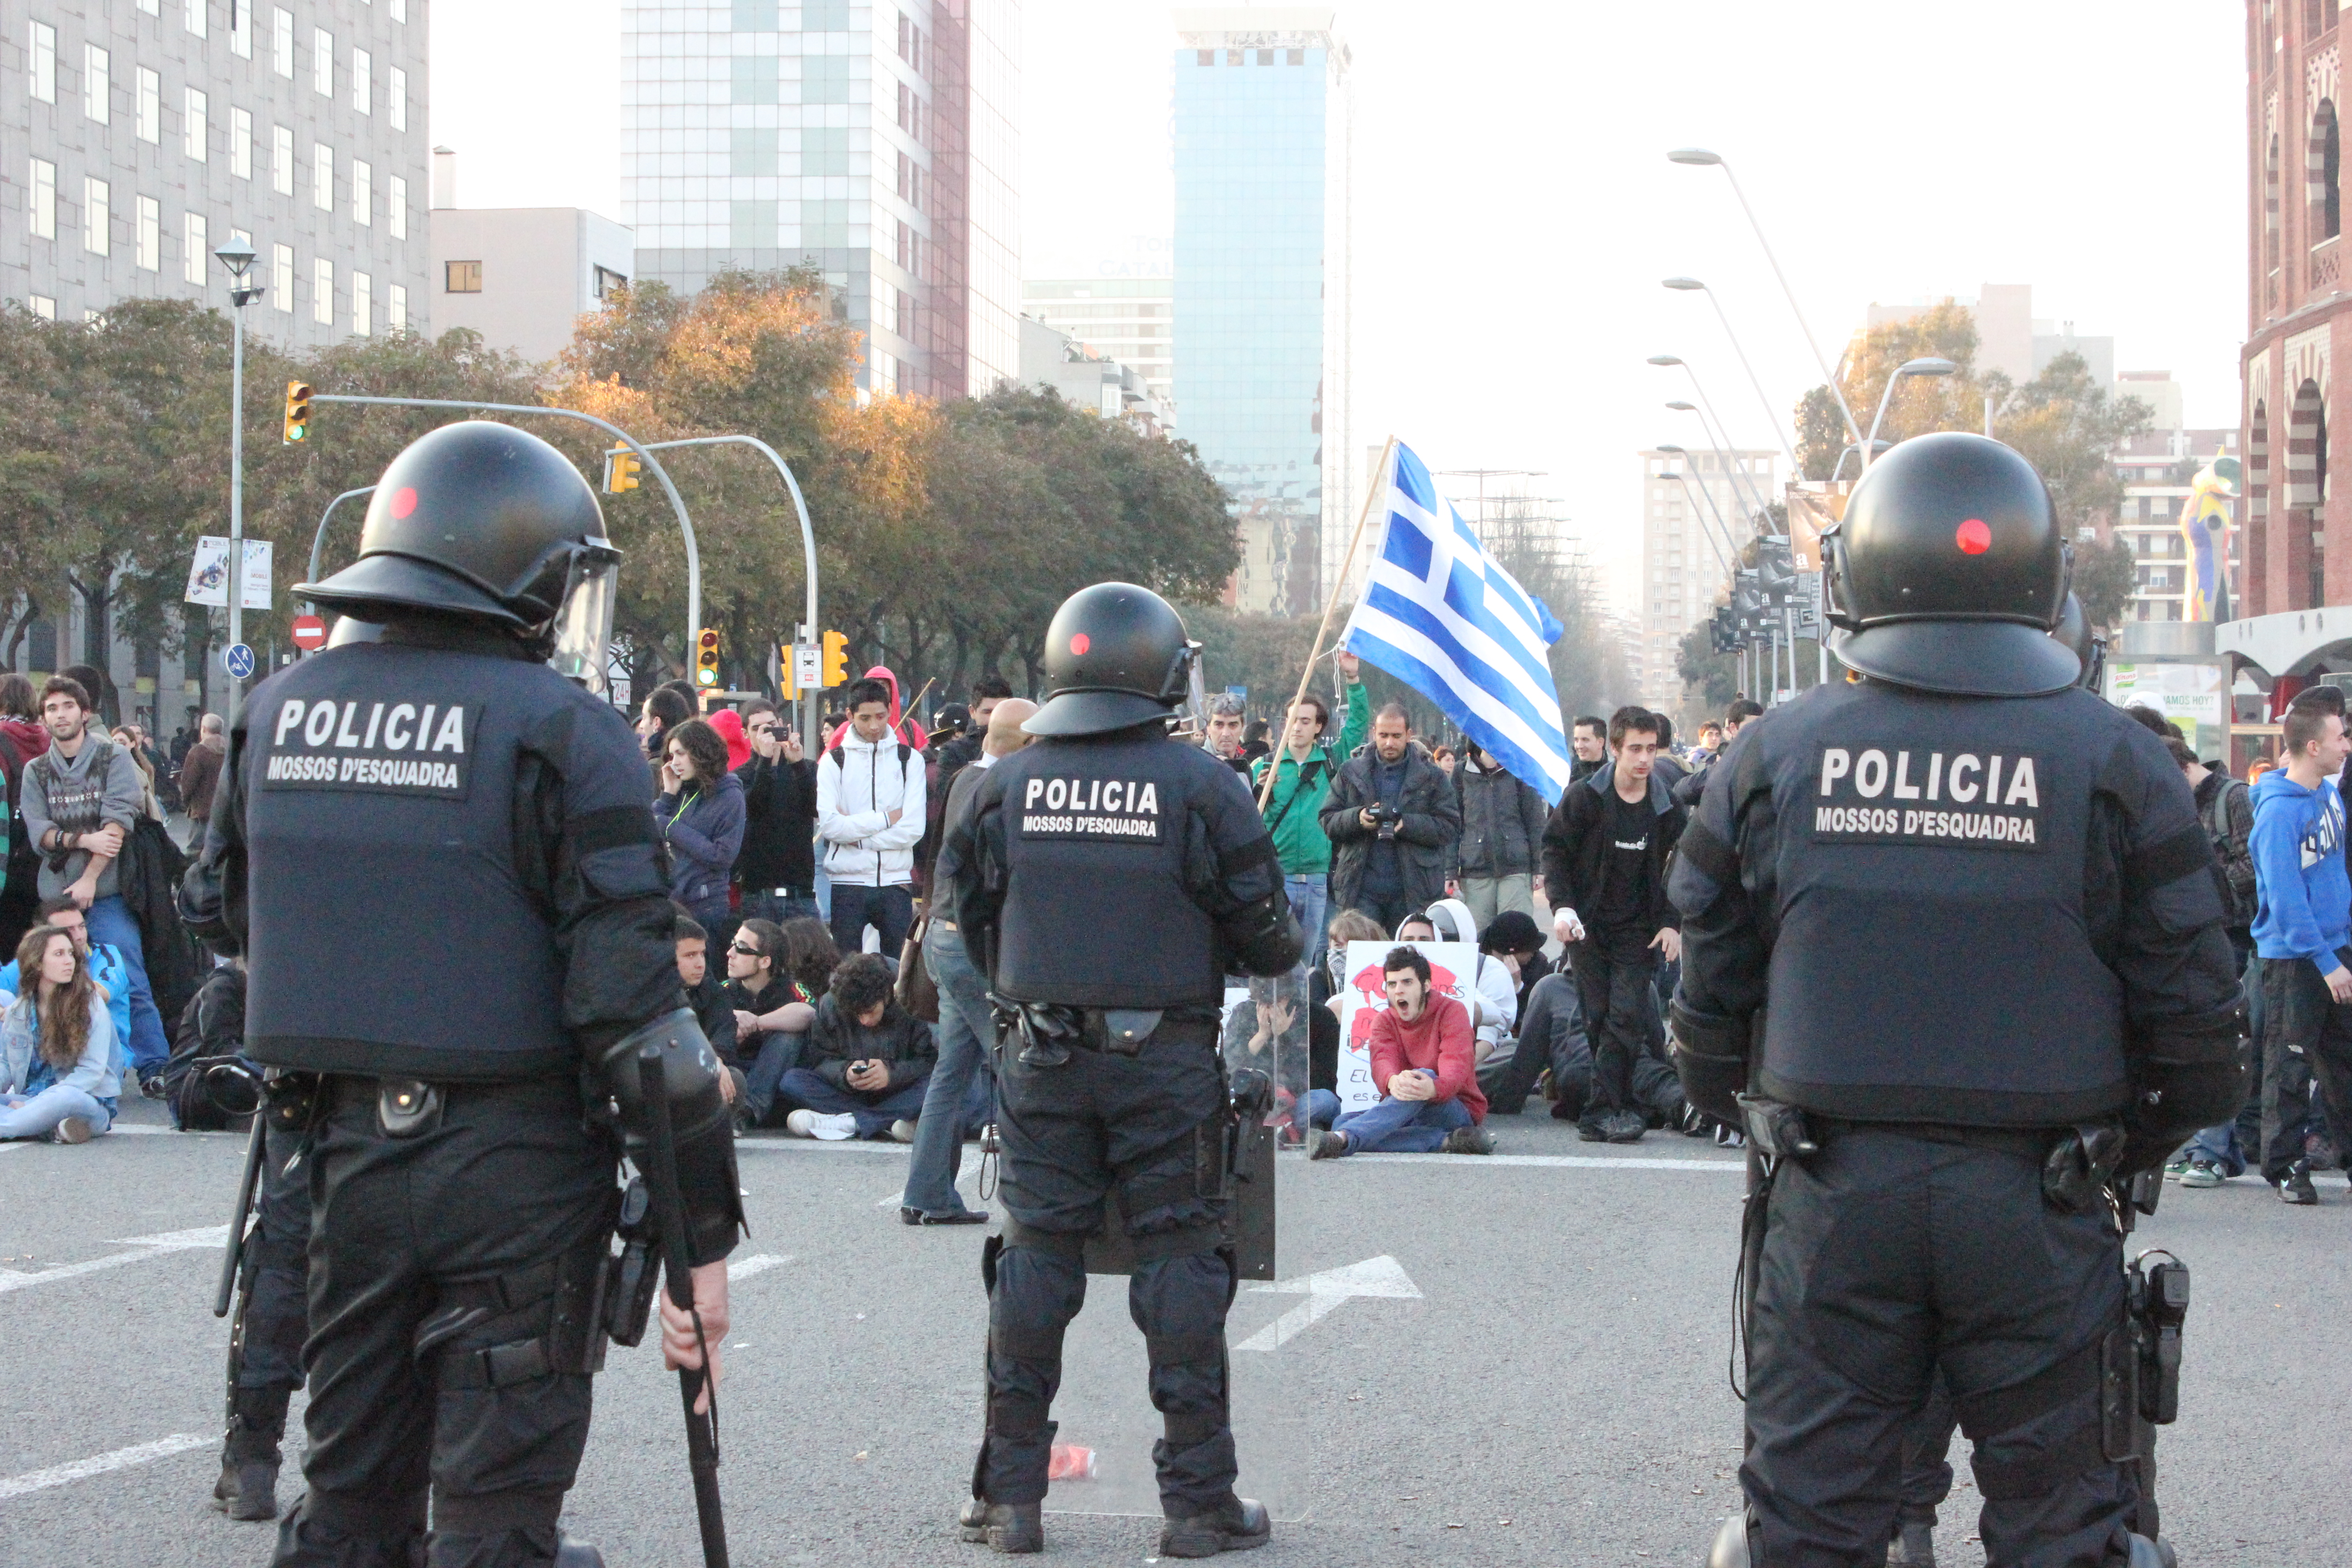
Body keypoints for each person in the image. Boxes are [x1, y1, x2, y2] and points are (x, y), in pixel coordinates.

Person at [1667, 432, 2244, 1568]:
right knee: (2064, 1529)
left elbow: (1706, 998)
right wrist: (2128, 1141)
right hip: (2042, 1193)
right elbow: (2198, 1029)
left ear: (1857, 572)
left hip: (1830, 1189)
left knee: (1808, 1521)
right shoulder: (2117, 759)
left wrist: (1747, 1099)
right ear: (2043, 579)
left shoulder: (1772, 754)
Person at [182, 419, 741, 1567]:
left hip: (339, 1160)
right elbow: (640, 1021)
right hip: (517, 1172)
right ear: (521, 568)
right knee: (494, 1517)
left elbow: (224, 914)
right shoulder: (565, 731)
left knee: (350, 1500)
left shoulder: (273, 711)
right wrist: (704, 1241)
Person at [936, 581, 1303, 1558]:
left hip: (1039, 1060)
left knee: (1032, 1261)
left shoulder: (1002, 784)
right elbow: (1273, 943)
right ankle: (1198, 1505)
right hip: (1164, 1063)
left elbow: (975, 929)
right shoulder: (1202, 785)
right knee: (1182, 1264)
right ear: (1161, 675)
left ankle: (1010, 1500)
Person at [905, 696, 1038, 1225]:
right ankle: (1035, 1198)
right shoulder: (1001, 788)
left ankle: (927, 1192)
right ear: (1023, 744)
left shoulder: (962, 777)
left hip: (941, 934)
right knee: (1018, 1066)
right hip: (968, 941)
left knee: (952, 1070)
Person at [18, 674, 172, 1095]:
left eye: (68, 706)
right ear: (44, 718)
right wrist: (82, 839)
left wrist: (89, 876)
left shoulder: (112, 758)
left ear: (84, 713)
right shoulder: (38, 770)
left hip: (106, 892)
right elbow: (40, 833)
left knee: (128, 975)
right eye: (51, 709)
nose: (60, 715)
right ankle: (46, 1064)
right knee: (43, 977)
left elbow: (117, 825)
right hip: (54, 895)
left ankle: (155, 1066)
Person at [1541, 705, 1686, 1143]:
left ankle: (1600, 1113)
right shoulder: (1585, 797)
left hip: (1638, 932)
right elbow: (1555, 851)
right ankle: (1609, 1103)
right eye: (1636, 749)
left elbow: (1682, 866)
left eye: (1652, 749)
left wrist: (1672, 923)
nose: (1644, 759)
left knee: (1626, 1017)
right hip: (1587, 926)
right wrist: (1562, 907)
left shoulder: (1666, 805)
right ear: (1616, 750)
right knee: (1598, 1016)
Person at [2247, 701, 2352, 1205]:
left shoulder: (2329, 794)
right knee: (2290, 1066)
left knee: (2345, 1063)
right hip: (2295, 959)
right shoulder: (2277, 813)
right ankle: (2286, 1167)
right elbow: (2286, 900)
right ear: (2314, 747)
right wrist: (2326, 961)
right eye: (2341, 738)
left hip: (2337, 948)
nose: (2347, 746)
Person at [2170, 733, 2261, 1188]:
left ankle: (2212, 1151)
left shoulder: (2234, 798)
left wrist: (2201, 891)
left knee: (2225, 1040)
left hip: (2238, 935)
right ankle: (2219, 1149)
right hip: (2208, 935)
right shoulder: (2187, 801)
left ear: (2184, 769)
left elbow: (2252, 867)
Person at [1302, 945, 1492, 1157]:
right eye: (1392, 984)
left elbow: (1456, 1068)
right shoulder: (1384, 1020)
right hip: (1407, 1103)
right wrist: (1393, 1081)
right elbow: (1383, 1062)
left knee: (1422, 1077)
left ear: (1426, 985)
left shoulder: (1452, 1012)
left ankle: (1344, 1140)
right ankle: (1446, 1141)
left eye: (1407, 982)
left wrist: (1433, 1088)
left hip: (1454, 1108)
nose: (1398, 990)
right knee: (1341, 1121)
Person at [1250, 649, 1369, 956]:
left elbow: (1357, 724)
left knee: (1309, 963)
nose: (1297, 727)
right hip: (1278, 880)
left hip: (1318, 880)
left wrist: (1353, 678)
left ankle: (1302, 1007)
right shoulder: (1264, 766)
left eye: (1305, 721)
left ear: (1319, 727)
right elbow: (1245, 821)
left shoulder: (1332, 761)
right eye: (1292, 720)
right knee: (1275, 960)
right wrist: (1257, 790)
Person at [1322, 702, 1461, 935]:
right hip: (1360, 887)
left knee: (1409, 960)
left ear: (1409, 735)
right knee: (1363, 961)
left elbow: (1449, 826)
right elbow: (1327, 820)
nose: (1389, 743)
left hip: (1414, 889)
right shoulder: (1350, 772)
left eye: (1396, 736)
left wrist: (1407, 824)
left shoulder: (1433, 777)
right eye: (1384, 735)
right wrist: (1358, 818)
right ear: (1373, 733)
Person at [818, 675, 927, 958]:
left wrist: (857, 837)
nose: (875, 726)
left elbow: (914, 828)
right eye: (865, 718)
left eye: (881, 716)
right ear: (850, 715)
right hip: (847, 883)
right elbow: (831, 826)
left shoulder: (909, 760)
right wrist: (887, 819)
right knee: (845, 973)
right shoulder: (834, 761)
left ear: (891, 711)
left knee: (899, 972)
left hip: (896, 882)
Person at [777, 950, 936, 1140]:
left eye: (870, 1011)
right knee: (792, 1081)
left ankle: (851, 1123)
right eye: (857, 1014)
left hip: (902, 1089)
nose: (865, 1021)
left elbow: (929, 1062)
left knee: (936, 1087)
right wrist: (846, 1074)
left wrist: (891, 1075)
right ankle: (882, 1121)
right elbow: (820, 1060)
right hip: (851, 1093)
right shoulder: (830, 1004)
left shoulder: (913, 1001)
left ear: (886, 996)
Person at [0, 922, 119, 1142]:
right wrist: (27, 1102)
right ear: (36, 963)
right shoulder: (19, 1010)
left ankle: (18, 1126)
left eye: (71, 954)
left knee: (64, 1098)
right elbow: (6, 1065)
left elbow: (91, 1072)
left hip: (84, 1101)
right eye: (59, 954)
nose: (69, 961)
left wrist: (33, 1104)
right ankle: (47, 1128)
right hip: (29, 1099)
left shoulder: (90, 1004)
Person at [653, 717, 747, 932]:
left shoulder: (729, 795)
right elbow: (651, 827)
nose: (674, 762)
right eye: (671, 755)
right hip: (674, 902)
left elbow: (722, 856)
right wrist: (667, 795)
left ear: (701, 753)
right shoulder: (682, 789)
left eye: (681, 754)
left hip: (707, 905)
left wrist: (671, 828)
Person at [733, 701, 819, 928]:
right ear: (745, 734)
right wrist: (764, 761)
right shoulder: (739, 777)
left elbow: (816, 808)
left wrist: (798, 764)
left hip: (800, 891)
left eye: (772, 726)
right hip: (758, 893)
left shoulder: (806, 769)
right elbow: (754, 808)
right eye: (758, 729)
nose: (767, 735)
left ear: (782, 726)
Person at [1449, 738, 1551, 931]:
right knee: (1478, 939)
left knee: (1515, 937)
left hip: (1516, 869)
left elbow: (1536, 822)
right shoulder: (1462, 773)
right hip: (1475, 871)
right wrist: (1450, 870)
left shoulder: (1521, 770)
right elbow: (1453, 826)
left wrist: (1539, 867)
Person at [673, 912, 744, 1107]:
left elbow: (725, 1033)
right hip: (664, 1072)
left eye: (702, 954)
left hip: (704, 1071)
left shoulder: (713, 991)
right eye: (690, 955)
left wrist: (715, 1061)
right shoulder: (652, 994)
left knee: (734, 1079)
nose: (699, 963)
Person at [178, 712, 227, 848]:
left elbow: (188, 783)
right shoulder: (231, 750)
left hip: (201, 812)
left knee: (196, 852)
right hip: (226, 812)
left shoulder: (198, 752)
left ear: (204, 729)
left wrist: (185, 802)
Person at [1202, 692, 1250, 774]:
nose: (1226, 733)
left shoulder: (1244, 768)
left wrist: (1260, 786)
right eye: (1219, 725)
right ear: (1208, 728)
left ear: (1242, 728)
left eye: (1233, 725)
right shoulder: (1195, 766)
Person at [1568, 715, 1607, 784]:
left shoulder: (1614, 776)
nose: (1579, 746)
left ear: (1600, 742)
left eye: (1585, 740)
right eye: (1576, 740)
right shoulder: (1567, 775)